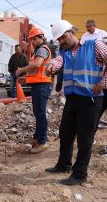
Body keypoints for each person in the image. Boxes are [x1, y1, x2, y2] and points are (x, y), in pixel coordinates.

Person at [45, 19, 107, 186]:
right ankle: (64, 165)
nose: (61, 42)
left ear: (72, 33)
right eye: (58, 40)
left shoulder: (95, 45)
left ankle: (80, 174)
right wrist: (50, 66)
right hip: (72, 98)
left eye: (63, 37)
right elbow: (57, 61)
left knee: (85, 138)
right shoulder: (64, 52)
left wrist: (103, 82)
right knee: (65, 133)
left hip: (91, 100)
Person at [15, 28, 52, 154]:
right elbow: (36, 71)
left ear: (41, 37)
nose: (33, 42)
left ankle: (42, 142)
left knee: (40, 114)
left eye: (35, 39)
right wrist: (26, 78)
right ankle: (37, 138)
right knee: (38, 113)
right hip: (39, 85)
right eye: (32, 40)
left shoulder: (42, 49)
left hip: (42, 86)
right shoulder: (38, 50)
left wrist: (21, 70)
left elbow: (36, 65)